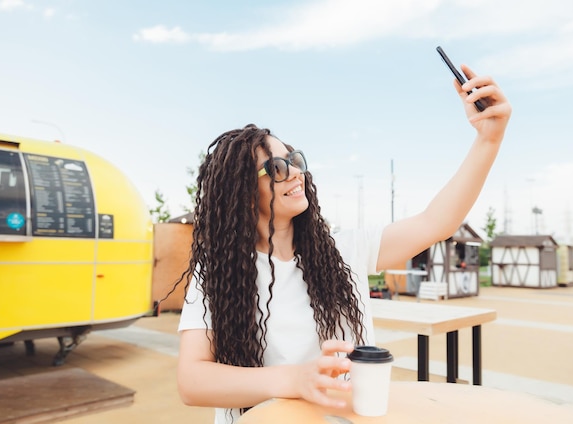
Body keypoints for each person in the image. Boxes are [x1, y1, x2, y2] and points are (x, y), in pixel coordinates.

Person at [172, 64, 512, 423]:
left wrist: (489, 138)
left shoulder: (344, 249)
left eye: (294, 159)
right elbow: (192, 381)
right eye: (276, 168)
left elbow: (435, 222)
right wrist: (295, 380)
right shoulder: (216, 269)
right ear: (239, 191)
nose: (295, 172)